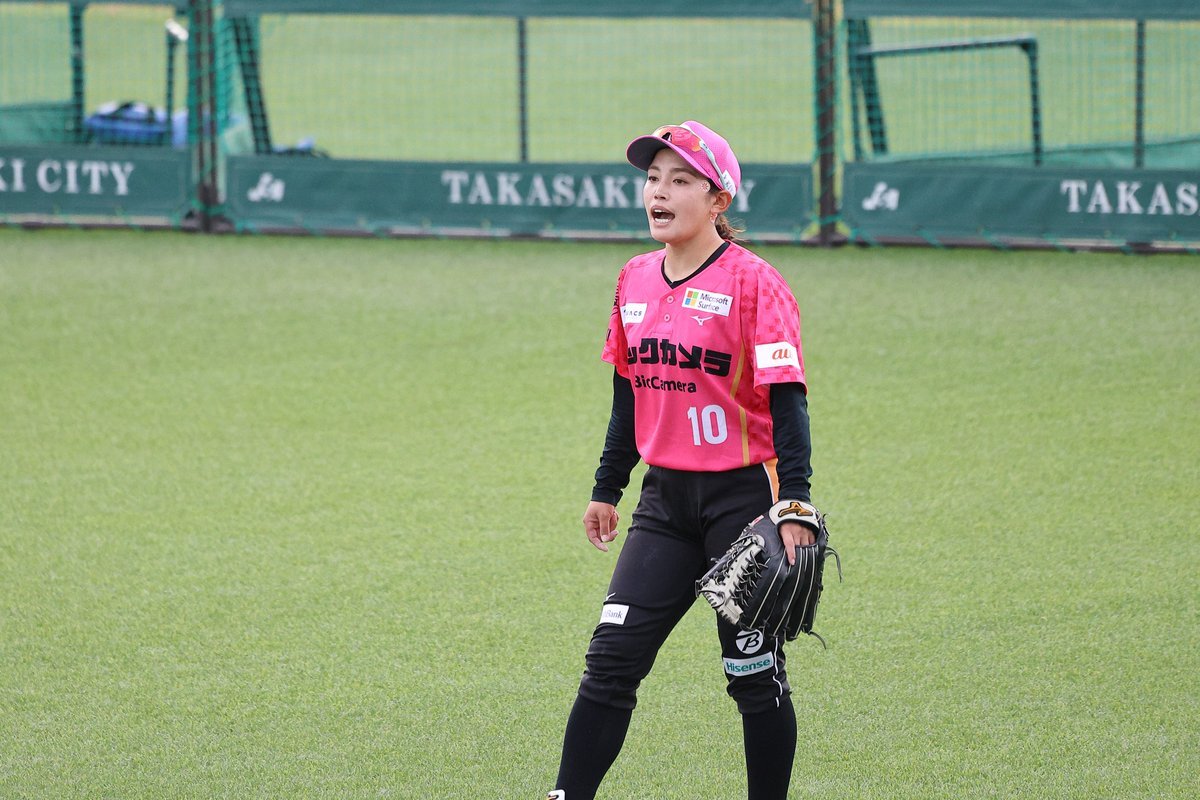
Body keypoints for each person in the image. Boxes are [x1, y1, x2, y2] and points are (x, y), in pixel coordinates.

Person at [546, 121, 819, 800]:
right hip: (664, 504)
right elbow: (627, 393)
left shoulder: (756, 284)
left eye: (679, 180)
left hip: (743, 503)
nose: (659, 192)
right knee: (611, 660)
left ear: (718, 199)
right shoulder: (634, 278)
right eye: (652, 179)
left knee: (752, 675)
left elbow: (787, 401)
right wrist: (607, 487)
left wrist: (795, 504)